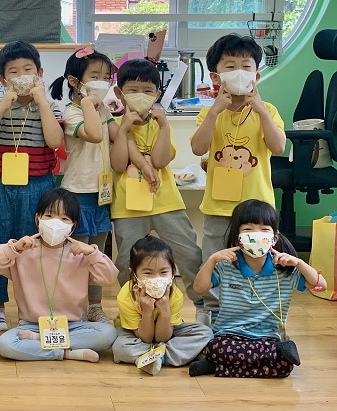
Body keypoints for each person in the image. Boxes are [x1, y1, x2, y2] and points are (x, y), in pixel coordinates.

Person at [190, 34, 285, 322]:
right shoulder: (209, 113)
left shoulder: (268, 111)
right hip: (218, 206)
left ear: (256, 75)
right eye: (230, 67)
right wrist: (214, 112)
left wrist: (261, 110)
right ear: (215, 76)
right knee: (216, 261)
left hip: (257, 209)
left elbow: (278, 147)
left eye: (246, 66)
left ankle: (253, 314)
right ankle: (213, 314)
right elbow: (198, 148)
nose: (239, 72)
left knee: (257, 261)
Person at [0, 41, 64, 331]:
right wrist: (2, 106)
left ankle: (32, 308)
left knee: (37, 247)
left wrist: (43, 102)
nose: (22, 75)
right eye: (14, 72)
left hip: (40, 186)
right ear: (3, 80)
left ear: (40, 74)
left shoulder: (49, 106)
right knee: (1, 245)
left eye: (28, 70)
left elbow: (55, 141)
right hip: (4, 187)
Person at [110, 59, 204, 320]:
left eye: (147, 91)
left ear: (157, 95)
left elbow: (161, 161)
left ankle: (204, 307)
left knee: (188, 253)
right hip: (128, 206)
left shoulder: (159, 124)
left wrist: (164, 125)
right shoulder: (114, 126)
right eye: (132, 90)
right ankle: (133, 309)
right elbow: (118, 164)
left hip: (166, 202)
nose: (140, 95)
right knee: (126, 261)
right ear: (119, 93)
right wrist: (124, 129)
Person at [190, 200, 326, 378]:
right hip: (229, 336)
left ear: (274, 238)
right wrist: (212, 260)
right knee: (215, 347)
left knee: (284, 366)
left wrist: (299, 262)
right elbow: (199, 288)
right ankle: (257, 359)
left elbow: (320, 286)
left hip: (268, 337)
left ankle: (217, 367)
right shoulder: (226, 267)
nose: (256, 235)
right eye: (248, 229)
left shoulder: (284, 270)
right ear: (237, 238)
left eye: (264, 229)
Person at [0, 188, 119, 363]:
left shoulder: (80, 254)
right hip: (31, 326)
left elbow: (110, 277)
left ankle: (39, 343)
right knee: (5, 344)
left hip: (73, 326)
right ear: (37, 218)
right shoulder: (24, 251)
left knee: (108, 333)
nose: (56, 223)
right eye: (49, 216)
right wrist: (15, 248)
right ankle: (67, 353)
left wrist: (92, 253)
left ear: (73, 226)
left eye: (64, 219)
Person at [48, 47, 118, 324]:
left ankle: (94, 306)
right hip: (77, 195)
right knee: (76, 257)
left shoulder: (102, 109)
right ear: (74, 81)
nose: (103, 82)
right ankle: (71, 307)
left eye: (106, 76)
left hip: (102, 195)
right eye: (95, 76)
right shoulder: (73, 112)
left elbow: (116, 135)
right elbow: (96, 135)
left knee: (96, 256)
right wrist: (89, 105)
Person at [112, 235, 213, 375]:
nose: (157, 278)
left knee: (205, 332)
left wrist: (165, 312)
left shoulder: (175, 295)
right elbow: (145, 338)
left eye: (164, 272)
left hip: (167, 331)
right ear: (133, 274)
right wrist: (147, 312)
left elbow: (162, 338)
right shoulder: (126, 296)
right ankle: (178, 354)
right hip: (136, 333)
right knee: (120, 347)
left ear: (172, 272)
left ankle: (154, 358)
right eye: (148, 273)